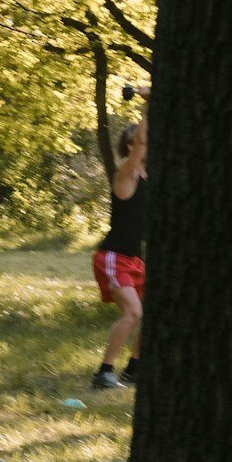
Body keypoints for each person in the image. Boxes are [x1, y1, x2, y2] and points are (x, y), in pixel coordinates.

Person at [92, 104, 149, 390]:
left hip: (135, 258)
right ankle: (104, 372)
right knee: (133, 313)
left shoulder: (148, 177)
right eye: (140, 142)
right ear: (129, 145)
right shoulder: (126, 174)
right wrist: (147, 108)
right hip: (113, 257)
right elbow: (141, 143)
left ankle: (134, 370)